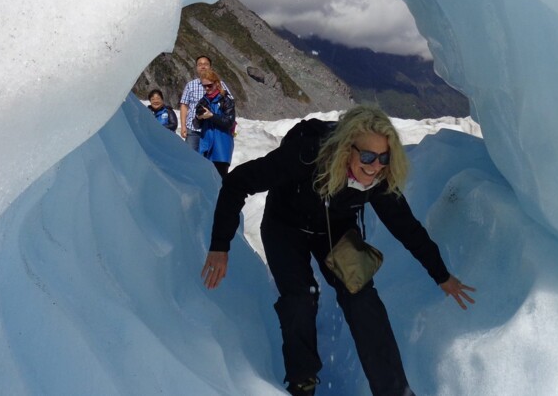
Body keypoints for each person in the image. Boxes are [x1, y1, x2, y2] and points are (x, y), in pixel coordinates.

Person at [201, 105, 475, 396]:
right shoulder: (307, 156)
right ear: (347, 148)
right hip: (285, 227)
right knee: (300, 298)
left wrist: (441, 275)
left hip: (335, 231)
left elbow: (406, 227)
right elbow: (237, 182)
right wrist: (220, 246)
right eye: (368, 156)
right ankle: (302, 381)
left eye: (384, 157)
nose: (375, 166)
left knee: (362, 297)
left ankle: (394, 390)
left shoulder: (379, 181)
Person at [180, 56, 232, 151]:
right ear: (196, 67)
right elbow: (184, 105)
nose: (203, 67)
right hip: (193, 130)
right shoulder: (190, 85)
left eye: (205, 64)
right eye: (200, 64)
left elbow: (229, 104)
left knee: (210, 160)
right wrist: (183, 126)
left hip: (212, 130)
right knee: (190, 158)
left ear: (210, 67)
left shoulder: (220, 84)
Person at [194, 70, 236, 178]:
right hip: (206, 145)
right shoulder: (203, 101)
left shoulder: (226, 100)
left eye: (209, 85)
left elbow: (229, 122)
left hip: (222, 146)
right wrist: (199, 118)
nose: (207, 89)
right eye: (204, 86)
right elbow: (196, 125)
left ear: (217, 83)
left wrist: (212, 116)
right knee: (205, 180)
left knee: (221, 179)